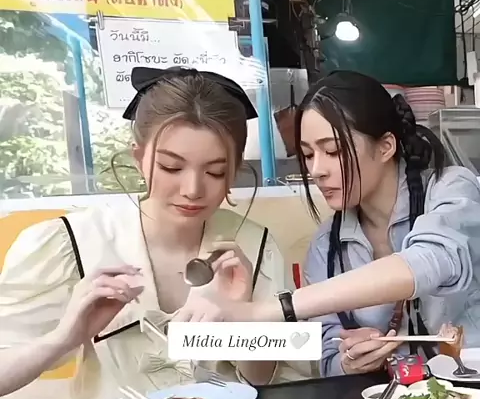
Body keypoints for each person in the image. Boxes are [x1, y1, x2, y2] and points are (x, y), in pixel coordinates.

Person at [0, 67, 316, 399]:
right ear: (139, 158)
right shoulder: (72, 243)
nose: (192, 189)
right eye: (171, 167)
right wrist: (64, 338)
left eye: (215, 172)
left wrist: (244, 322)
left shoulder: (256, 246)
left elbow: (276, 378)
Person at [174, 70, 480, 377]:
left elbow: (431, 260)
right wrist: (347, 361)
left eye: (333, 151)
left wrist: (266, 311)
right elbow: (325, 353)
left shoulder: (451, 190)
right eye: (308, 154)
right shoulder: (326, 247)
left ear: (386, 146)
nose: (317, 170)